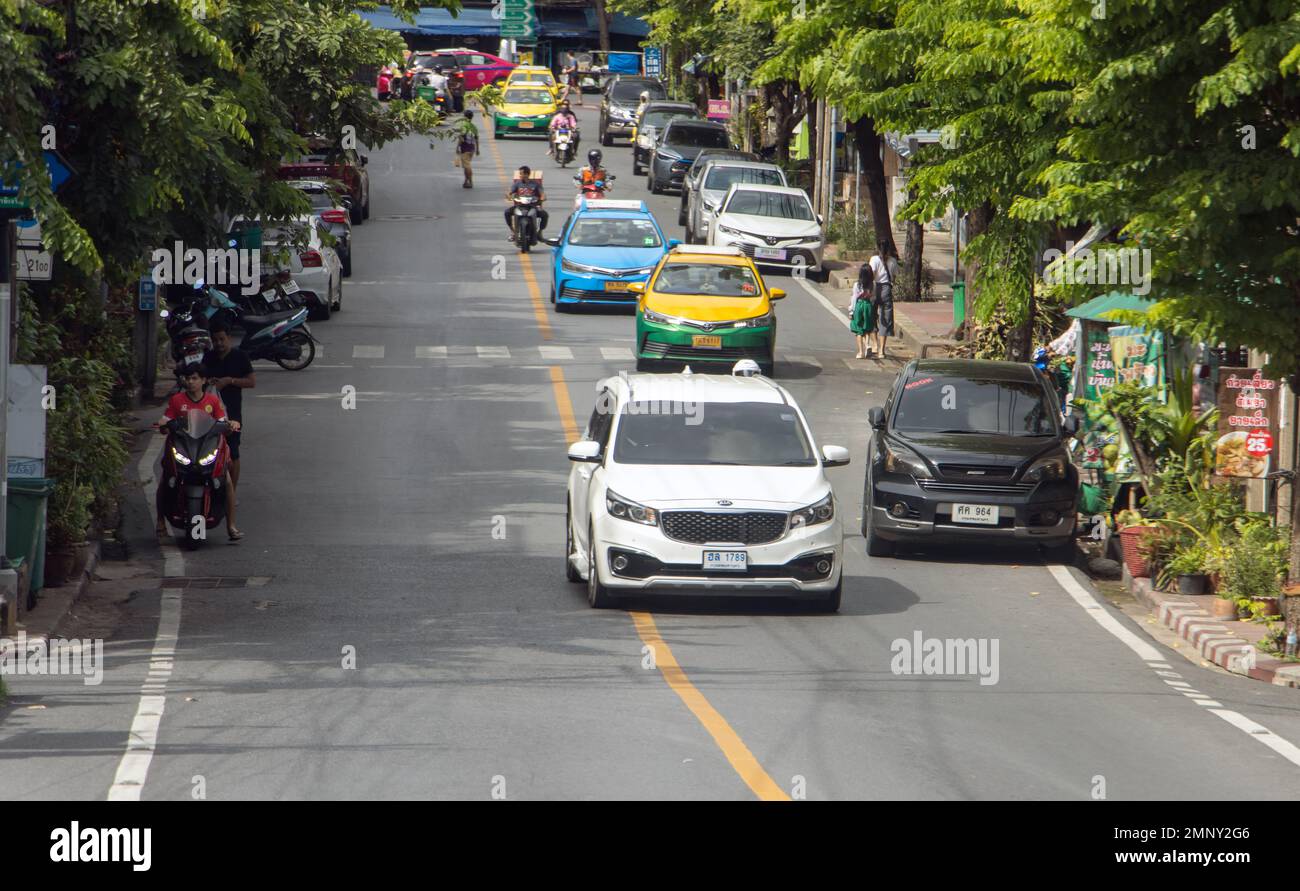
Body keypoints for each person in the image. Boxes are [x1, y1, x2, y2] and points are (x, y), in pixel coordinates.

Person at [155, 365, 242, 542]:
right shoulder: (177, 400)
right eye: (188, 378)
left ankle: (231, 526)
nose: (190, 382)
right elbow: (167, 419)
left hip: (206, 447)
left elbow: (223, 422)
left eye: (194, 378)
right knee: (166, 479)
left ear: (204, 380)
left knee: (226, 481)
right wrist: (163, 423)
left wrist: (230, 425)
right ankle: (160, 521)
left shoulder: (213, 401)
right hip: (183, 447)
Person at [204, 320, 255, 539]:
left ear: (229, 339)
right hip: (209, 414)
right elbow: (200, 379)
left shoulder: (240, 357)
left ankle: (230, 493)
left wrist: (230, 381)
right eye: (215, 340)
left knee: (233, 452)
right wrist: (211, 382)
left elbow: (251, 382)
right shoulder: (208, 358)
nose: (219, 344)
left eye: (222, 340)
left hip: (232, 413)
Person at [504, 165, 548, 241]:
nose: (520, 176)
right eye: (520, 174)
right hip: (519, 206)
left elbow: (542, 193)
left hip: (532, 206)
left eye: (521, 174)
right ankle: (513, 232)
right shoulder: (517, 183)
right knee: (507, 212)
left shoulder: (536, 184)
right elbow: (510, 192)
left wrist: (542, 198)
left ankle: (540, 233)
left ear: (527, 174)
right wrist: (508, 196)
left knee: (545, 215)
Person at [870, 246, 898, 359]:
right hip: (886, 289)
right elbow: (895, 276)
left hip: (875, 287)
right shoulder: (893, 261)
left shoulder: (874, 259)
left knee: (872, 315)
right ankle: (881, 350)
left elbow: (871, 274)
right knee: (885, 319)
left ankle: (875, 345)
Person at [850, 262, 876, 358]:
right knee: (867, 328)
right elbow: (874, 297)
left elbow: (854, 298)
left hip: (859, 305)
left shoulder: (857, 285)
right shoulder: (873, 285)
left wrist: (851, 310)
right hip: (868, 305)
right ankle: (868, 344)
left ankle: (860, 352)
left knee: (858, 329)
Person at [454, 109, 480, 189]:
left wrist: (457, 147)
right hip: (472, 148)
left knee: (467, 166)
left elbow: (461, 137)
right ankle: (466, 181)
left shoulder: (464, 125)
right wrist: (477, 149)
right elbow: (476, 139)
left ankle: (470, 181)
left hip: (465, 148)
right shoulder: (473, 127)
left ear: (465, 117)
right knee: (466, 166)